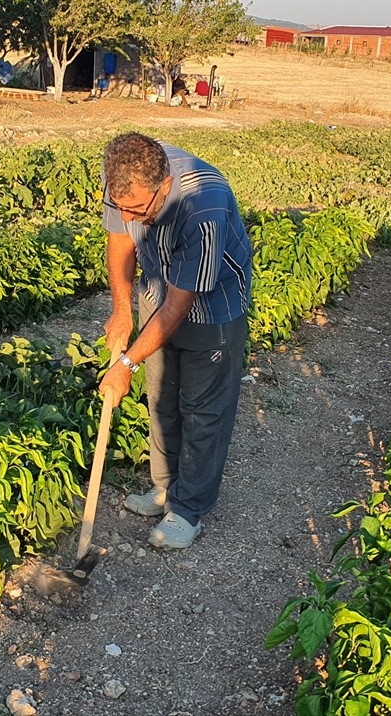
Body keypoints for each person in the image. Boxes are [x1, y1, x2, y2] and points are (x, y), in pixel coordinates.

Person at [98, 133, 252, 549]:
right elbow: (120, 239)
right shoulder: (122, 174)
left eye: (137, 209)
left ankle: (189, 510)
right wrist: (123, 309)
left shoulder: (203, 205)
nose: (128, 214)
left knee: (202, 409)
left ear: (163, 186)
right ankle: (166, 489)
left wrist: (125, 365)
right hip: (158, 289)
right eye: (121, 206)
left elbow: (179, 306)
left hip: (211, 306)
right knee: (161, 398)